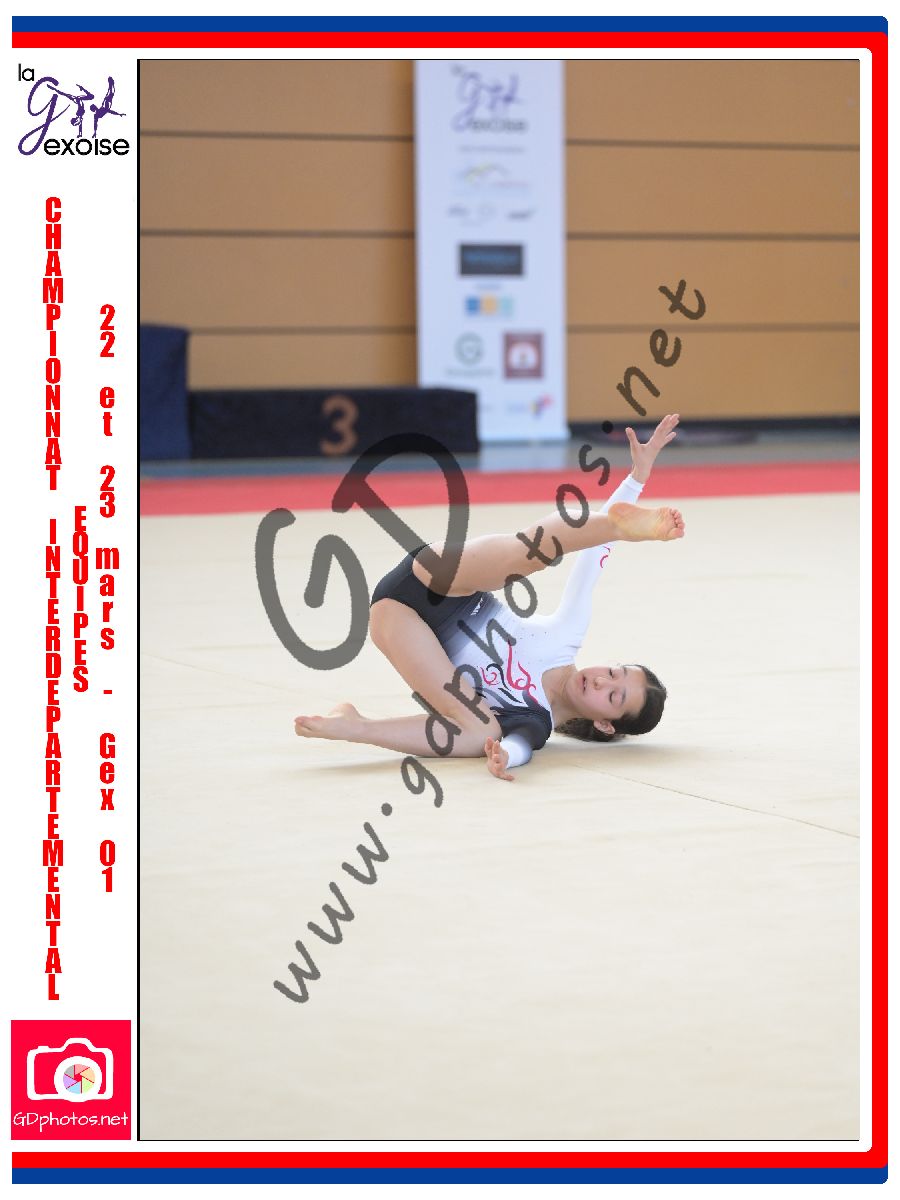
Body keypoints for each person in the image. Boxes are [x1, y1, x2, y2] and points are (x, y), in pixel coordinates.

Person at [295, 414, 684, 782]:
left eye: (613, 696)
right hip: (444, 579)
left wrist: (506, 756)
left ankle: (356, 726)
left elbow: (520, 747)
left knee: (481, 731)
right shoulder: (567, 636)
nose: (600, 680)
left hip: (400, 623)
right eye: (613, 672)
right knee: (526, 557)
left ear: (604, 725)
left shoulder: (534, 721)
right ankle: (618, 524)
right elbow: (592, 558)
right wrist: (635, 480)